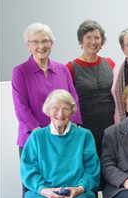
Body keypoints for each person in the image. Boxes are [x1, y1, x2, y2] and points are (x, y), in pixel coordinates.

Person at [13, 23, 82, 151]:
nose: (41, 46)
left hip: (63, 137)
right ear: (29, 46)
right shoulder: (20, 72)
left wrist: (73, 126)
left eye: (45, 41)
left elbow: (73, 100)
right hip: (34, 139)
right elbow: (21, 107)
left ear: (51, 44)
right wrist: (39, 133)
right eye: (35, 42)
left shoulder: (62, 69)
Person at [67, 20, 114, 158]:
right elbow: (67, 100)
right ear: (81, 41)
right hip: (85, 127)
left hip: (111, 126)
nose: (93, 41)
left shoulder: (110, 63)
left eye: (97, 37)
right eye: (88, 37)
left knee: (111, 163)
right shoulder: (70, 68)